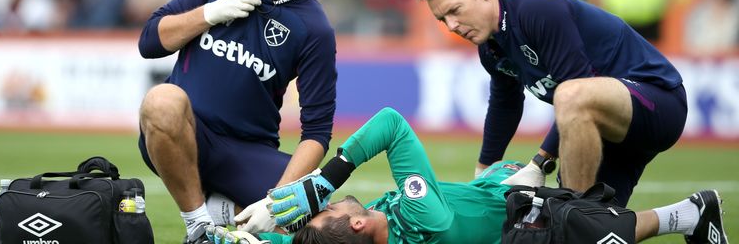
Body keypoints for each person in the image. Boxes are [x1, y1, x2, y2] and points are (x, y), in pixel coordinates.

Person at [414, 0, 687, 207]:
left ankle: (574, 211)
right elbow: (505, 104)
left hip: (657, 101)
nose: (451, 26)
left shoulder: (538, 9)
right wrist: (482, 175)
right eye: (442, 19)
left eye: (455, 10)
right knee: (586, 231)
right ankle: (688, 215)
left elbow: (577, 86)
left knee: (570, 96)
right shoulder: (490, 47)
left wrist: (539, 163)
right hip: (606, 131)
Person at [137, 0, 338, 243]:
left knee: (323, 217)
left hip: (246, 151)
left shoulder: (314, 29)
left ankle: (223, 210)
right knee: (161, 100)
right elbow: (150, 41)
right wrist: (208, 14)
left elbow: (317, 132)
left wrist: (276, 204)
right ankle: (199, 226)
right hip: (182, 133)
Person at [247, 107, 726, 244]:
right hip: (529, 217)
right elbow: (391, 123)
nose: (328, 204)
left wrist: (239, 234)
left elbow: (308, 240)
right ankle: (693, 211)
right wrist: (324, 180)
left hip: (495, 187)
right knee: (603, 228)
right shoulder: (421, 218)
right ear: (355, 224)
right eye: (329, 208)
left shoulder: (368, 231)